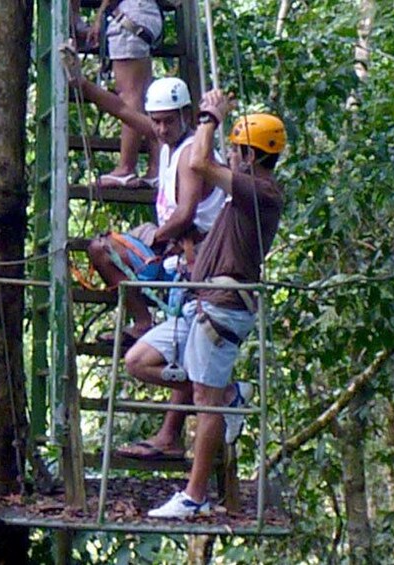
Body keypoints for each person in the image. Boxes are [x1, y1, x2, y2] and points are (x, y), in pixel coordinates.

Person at [121, 88, 286, 518]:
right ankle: (230, 394)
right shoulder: (245, 195)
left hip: (223, 305)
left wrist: (209, 118)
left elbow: (198, 162)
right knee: (139, 360)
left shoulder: (262, 192)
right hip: (202, 301)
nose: (229, 156)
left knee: (205, 402)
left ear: (250, 156)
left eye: (235, 150)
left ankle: (194, 497)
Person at [60, 45, 226, 343]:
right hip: (175, 243)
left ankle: (143, 321)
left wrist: (157, 238)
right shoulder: (168, 140)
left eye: (168, 121)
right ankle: (143, 321)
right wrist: (81, 83)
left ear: (185, 115)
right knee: (105, 247)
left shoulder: (190, 154)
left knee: (103, 248)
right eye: (156, 121)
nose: (161, 129)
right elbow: (123, 110)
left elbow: (185, 213)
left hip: (193, 252)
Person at [87, 0, 164, 188]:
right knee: (142, 96)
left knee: (130, 96)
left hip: (130, 17)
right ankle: (156, 169)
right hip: (145, 14)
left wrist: (100, 15)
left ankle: (126, 168)